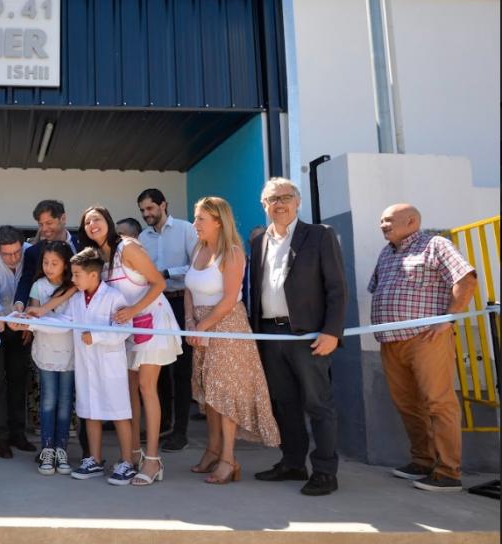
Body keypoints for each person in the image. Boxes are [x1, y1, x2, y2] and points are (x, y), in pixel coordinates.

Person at [369, 203, 477, 493]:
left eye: (389, 220)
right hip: (391, 341)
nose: (383, 225)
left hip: (426, 338)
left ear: (412, 221)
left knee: (438, 402)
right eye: (381, 221)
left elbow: (466, 279)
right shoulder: (386, 253)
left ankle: (448, 471)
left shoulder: (435, 244)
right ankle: (422, 460)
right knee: (407, 404)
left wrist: (448, 318)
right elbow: (378, 289)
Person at [250, 177, 347, 497]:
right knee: (285, 404)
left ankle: (324, 471)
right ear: (264, 206)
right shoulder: (259, 240)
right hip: (269, 333)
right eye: (272, 199)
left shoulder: (320, 235)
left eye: (285, 197)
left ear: (298, 201)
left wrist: (332, 332)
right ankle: (293, 463)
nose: (279, 204)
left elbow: (336, 288)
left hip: (309, 335)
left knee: (318, 404)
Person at [79, 205, 182, 486]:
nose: (92, 225)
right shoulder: (98, 256)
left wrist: (134, 309)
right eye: (87, 222)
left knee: (147, 388)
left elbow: (159, 283)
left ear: (108, 222)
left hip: (152, 322)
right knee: (130, 390)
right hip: (127, 329)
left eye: (96, 219)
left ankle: (152, 460)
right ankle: (134, 453)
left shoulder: (128, 248)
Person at [185, 196, 280, 485]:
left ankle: (229, 460)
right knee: (210, 395)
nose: (195, 224)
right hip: (201, 329)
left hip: (226, 328)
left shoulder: (233, 253)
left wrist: (202, 326)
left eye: (200, 218)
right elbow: (189, 289)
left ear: (218, 220)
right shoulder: (198, 249)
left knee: (225, 395)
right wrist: (190, 322)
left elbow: (228, 300)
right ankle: (213, 450)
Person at [64, 247, 137, 485]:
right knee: (90, 412)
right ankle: (94, 459)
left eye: (76, 275)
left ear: (93, 275)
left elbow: (125, 330)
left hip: (109, 366)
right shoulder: (76, 299)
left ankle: (127, 462)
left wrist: (96, 336)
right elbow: (64, 322)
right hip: (86, 366)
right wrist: (33, 323)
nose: (73, 280)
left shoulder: (114, 297)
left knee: (119, 413)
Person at [137, 188, 199, 453]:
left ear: (164, 205)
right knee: (157, 367)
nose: (146, 215)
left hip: (181, 300)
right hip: (156, 305)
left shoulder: (186, 229)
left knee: (182, 369)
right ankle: (161, 425)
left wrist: (166, 272)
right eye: (142, 211)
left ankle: (181, 432)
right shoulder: (142, 237)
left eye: (150, 209)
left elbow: (197, 266)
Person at [24, 241, 77, 476]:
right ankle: (46, 449)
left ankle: (61, 448)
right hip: (46, 352)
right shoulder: (38, 286)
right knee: (48, 401)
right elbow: (34, 314)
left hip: (70, 353)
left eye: (55, 263)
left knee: (66, 403)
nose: (49, 267)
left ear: (66, 264)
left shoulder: (76, 285)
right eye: (45, 262)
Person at [0, 225, 36, 458]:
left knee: (19, 378)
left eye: (17, 252)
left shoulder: (30, 251)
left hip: (23, 325)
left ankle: (18, 434)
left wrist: (30, 324)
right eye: (7, 254)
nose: (13, 258)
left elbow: (36, 290)